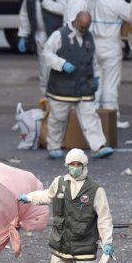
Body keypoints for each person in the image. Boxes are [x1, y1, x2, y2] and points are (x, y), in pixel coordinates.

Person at [18, 149, 114, 263]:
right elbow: (47, 196)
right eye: (71, 164)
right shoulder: (60, 183)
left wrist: (107, 241)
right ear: (67, 165)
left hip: (85, 246)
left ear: (85, 166)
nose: (75, 168)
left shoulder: (96, 190)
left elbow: (104, 218)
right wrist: (29, 197)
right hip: (61, 243)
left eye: (78, 164)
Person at [41, 11, 114, 160]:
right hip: (62, 86)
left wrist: (96, 77)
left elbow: (93, 60)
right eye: (81, 27)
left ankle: (98, 146)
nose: (83, 30)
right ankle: (54, 146)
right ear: (75, 22)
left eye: (86, 28)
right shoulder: (59, 35)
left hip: (83, 86)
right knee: (58, 118)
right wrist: (62, 64)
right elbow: (47, 53)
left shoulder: (89, 37)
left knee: (90, 116)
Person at [17, 0, 69, 95]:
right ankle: (45, 105)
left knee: (56, 72)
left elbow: (65, 9)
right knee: (43, 73)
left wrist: (45, 0)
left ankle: (58, 104)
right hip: (39, 37)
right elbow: (24, 14)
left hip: (56, 37)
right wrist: (23, 35)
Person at [89, 0, 131, 129]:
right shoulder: (115, 2)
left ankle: (95, 117)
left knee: (97, 84)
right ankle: (112, 118)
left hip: (94, 45)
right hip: (111, 46)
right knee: (111, 85)